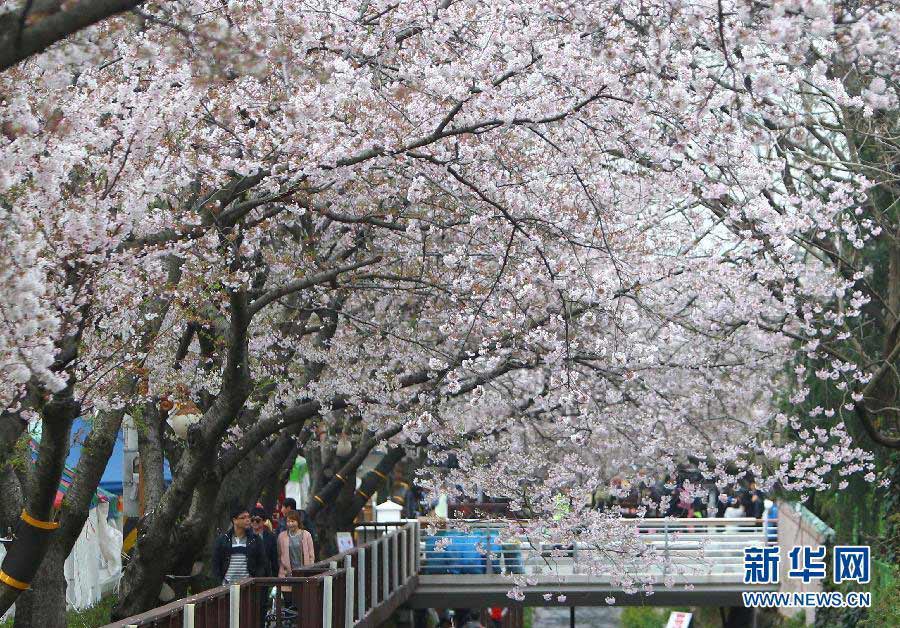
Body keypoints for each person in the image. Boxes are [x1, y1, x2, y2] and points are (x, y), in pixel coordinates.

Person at [211, 506, 266, 585]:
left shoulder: (256, 540)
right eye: (243, 518)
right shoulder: (223, 540)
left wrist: (255, 579)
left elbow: (262, 563)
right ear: (234, 520)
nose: (247, 520)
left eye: (248, 517)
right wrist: (220, 581)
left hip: (248, 586)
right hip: (226, 585)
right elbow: (215, 564)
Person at [278, 510, 315, 576]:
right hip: (287, 573)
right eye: (288, 521)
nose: (290, 524)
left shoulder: (306, 535)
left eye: (292, 521)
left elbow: (311, 555)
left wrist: (309, 568)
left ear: (298, 521)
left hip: (304, 572)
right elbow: (280, 554)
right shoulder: (282, 536)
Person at [250, 505, 279, 576]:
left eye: (257, 520)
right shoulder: (245, 535)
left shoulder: (271, 537)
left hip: (265, 575)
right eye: (252, 520)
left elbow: (274, 559)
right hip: (248, 575)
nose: (254, 522)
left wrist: (275, 577)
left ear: (264, 521)